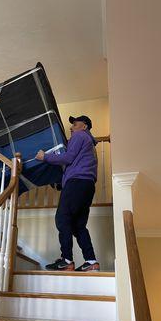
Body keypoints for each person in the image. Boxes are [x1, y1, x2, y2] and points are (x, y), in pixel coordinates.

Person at [35, 115, 99, 272]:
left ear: (84, 126)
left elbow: (68, 158)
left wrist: (45, 157)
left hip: (77, 182)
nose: (71, 128)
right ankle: (91, 261)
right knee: (78, 226)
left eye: (75, 124)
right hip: (87, 185)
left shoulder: (80, 136)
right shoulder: (89, 144)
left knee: (62, 218)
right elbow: (73, 162)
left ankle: (66, 260)